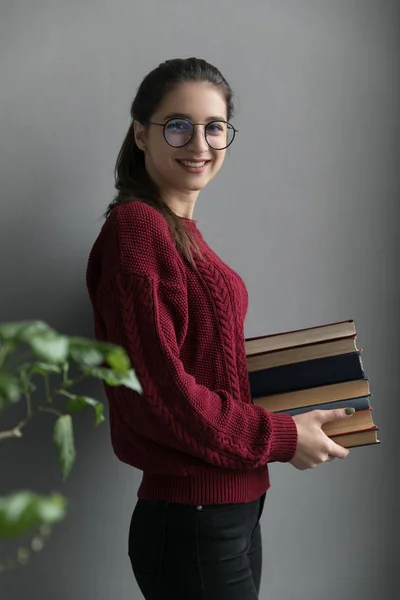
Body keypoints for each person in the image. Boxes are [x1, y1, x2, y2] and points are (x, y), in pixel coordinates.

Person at [85, 57, 354, 600]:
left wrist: (298, 405)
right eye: (177, 125)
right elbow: (159, 396)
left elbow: (205, 366)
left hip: (231, 507)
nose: (199, 143)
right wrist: (282, 436)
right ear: (141, 132)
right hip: (194, 519)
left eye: (214, 127)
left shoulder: (179, 231)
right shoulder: (139, 231)